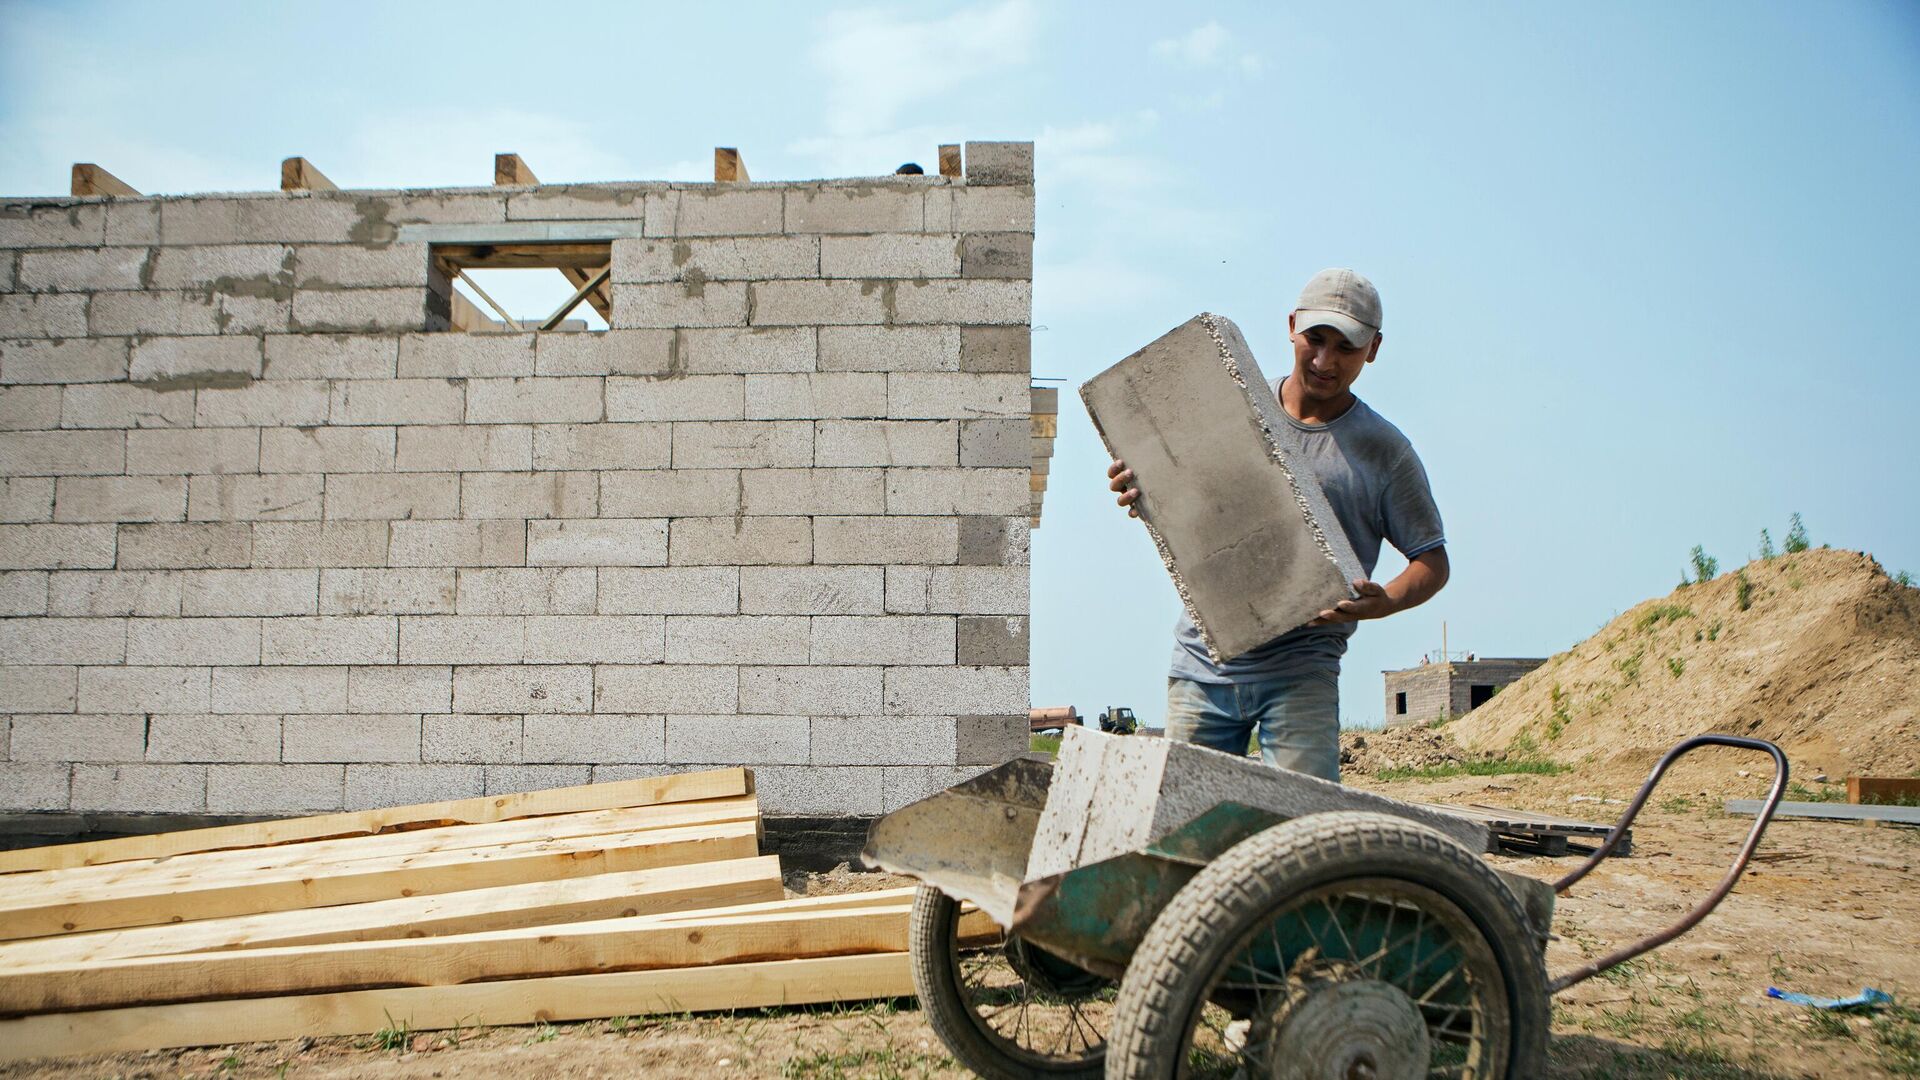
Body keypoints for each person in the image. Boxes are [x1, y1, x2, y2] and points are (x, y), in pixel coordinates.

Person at [1107, 268, 1448, 782]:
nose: (1324, 361)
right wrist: (1143, 493)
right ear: (1292, 326)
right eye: (1315, 339)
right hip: (1202, 665)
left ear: (1373, 349)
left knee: (1303, 831)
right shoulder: (1228, 409)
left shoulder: (1385, 451)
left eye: (1346, 347)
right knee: (1182, 833)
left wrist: (1388, 601)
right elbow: (1191, 509)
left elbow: (1431, 560)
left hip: (1301, 673)